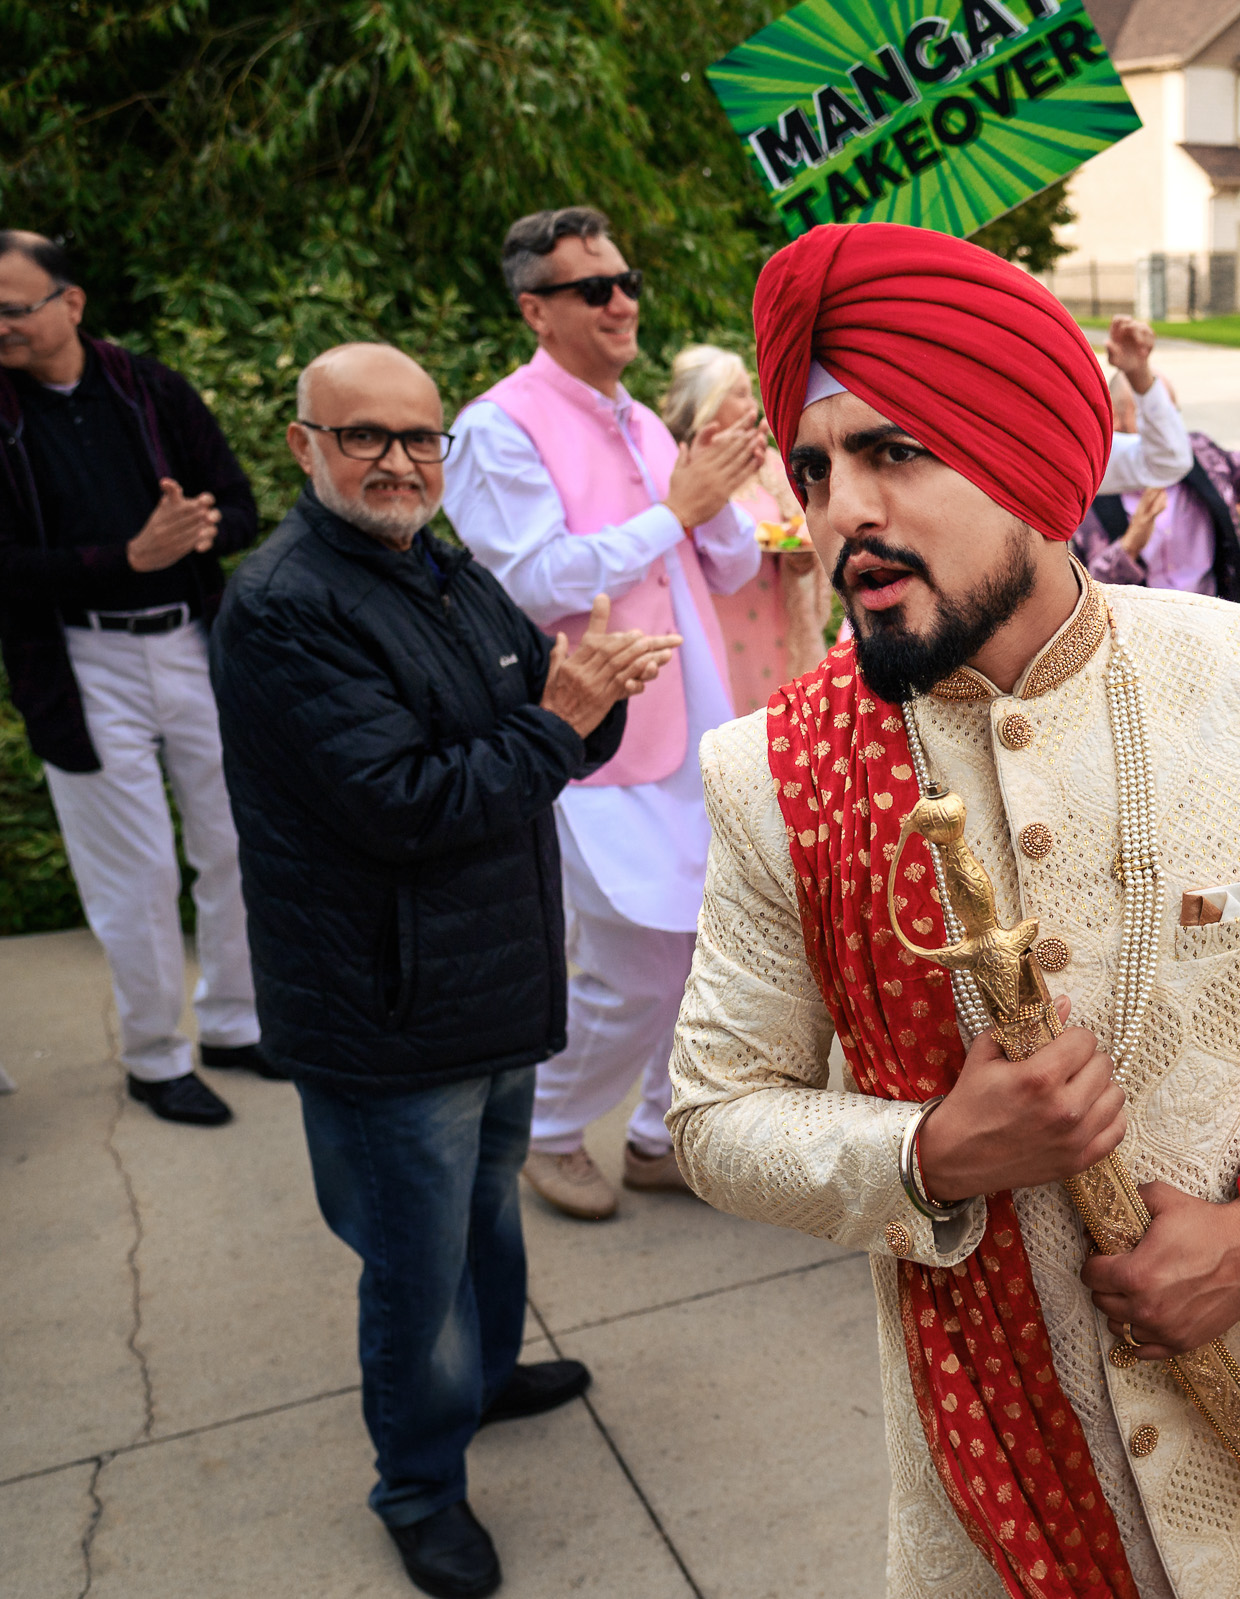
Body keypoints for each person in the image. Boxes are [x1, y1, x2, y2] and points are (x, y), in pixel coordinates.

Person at [670, 221, 1240, 1598]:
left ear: (1022, 461)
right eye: (818, 467)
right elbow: (715, 1114)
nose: (842, 516)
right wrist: (932, 1152)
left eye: (895, 452)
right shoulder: (773, 774)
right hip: (999, 1484)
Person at [212, 343, 678, 1599]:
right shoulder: (286, 604)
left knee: (481, 1215)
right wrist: (561, 717)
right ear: (305, 444)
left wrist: (597, 695)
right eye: (366, 436)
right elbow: (404, 804)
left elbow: (535, 709)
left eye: (421, 437)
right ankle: (419, 1485)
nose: (401, 461)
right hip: (384, 1001)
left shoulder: (440, 563)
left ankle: (485, 1381)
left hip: (486, 975)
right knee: (413, 1266)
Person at [443, 206, 767, 1222]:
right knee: (634, 958)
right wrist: (678, 506)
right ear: (537, 310)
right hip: (593, 729)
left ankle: (659, 1134)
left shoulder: (638, 417)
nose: (622, 300)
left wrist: (717, 500)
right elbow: (530, 578)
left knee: (711, 943)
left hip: (694, 714)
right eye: (595, 287)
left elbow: (720, 562)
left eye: (625, 280)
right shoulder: (498, 425)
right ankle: (545, 1130)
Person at [0, 231, 264, 1127]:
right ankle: (157, 1057)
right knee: (137, 871)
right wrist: (125, 557)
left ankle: (236, 1020)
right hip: (78, 660)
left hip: (192, 641)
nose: (1, 327)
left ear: (70, 304)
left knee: (234, 837)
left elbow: (239, 503)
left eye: (13, 308)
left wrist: (196, 533)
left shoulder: (149, 387)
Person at [660, 345, 831, 717]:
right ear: (710, 400)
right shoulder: (673, 467)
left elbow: (804, 533)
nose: (751, 405)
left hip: (775, 623)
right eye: (740, 393)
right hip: (710, 626)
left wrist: (799, 557)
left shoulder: (768, 465)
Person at [1077, 348, 1240, 598]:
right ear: (1113, 419)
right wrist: (1129, 546)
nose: (1165, 428)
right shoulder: (1088, 484)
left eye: (1171, 414)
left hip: (1219, 621)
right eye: (1151, 415)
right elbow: (1079, 595)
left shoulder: (1202, 457)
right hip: (1136, 631)